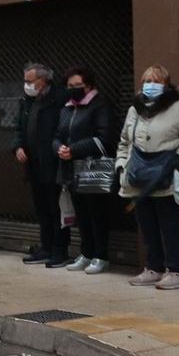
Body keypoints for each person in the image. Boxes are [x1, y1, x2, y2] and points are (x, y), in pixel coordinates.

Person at [116, 66, 179, 289]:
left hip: (166, 176)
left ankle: (175, 270)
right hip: (138, 177)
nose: (150, 85)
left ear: (166, 84)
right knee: (147, 224)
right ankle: (152, 267)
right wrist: (121, 166)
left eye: (156, 81)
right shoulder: (134, 110)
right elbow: (125, 141)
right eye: (147, 80)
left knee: (169, 224)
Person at [55, 66, 120, 275]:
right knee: (81, 213)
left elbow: (105, 138)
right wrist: (60, 148)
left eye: (78, 86)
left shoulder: (100, 106)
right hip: (71, 167)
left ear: (89, 85)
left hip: (93, 166)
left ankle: (100, 255)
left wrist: (74, 149)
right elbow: (57, 134)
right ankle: (86, 252)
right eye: (70, 86)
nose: (73, 90)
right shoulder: (67, 108)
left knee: (97, 213)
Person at [13, 63, 68, 265]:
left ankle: (59, 250)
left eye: (30, 81)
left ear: (43, 80)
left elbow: (63, 129)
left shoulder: (58, 99)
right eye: (25, 81)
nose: (26, 85)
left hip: (53, 163)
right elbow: (19, 127)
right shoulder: (27, 101)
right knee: (42, 209)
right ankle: (46, 247)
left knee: (56, 209)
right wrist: (18, 146)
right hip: (33, 163)